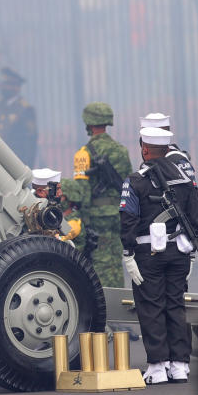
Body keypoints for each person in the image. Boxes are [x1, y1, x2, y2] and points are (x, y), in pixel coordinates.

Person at [120, 127, 198, 385]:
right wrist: (190, 244)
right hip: (179, 250)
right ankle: (179, 365)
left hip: (148, 252)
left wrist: (128, 252)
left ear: (144, 148)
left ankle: (157, 366)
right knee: (175, 305)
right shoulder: (185, 179)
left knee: (151, 307)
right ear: (168, 150)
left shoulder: (136, 180)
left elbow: (128, 218)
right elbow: (196, 212)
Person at [60, 102, 132, 288]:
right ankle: (118, 296)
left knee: (98, 260)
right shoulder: (121, 150)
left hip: (96, 217)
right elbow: (129, 185)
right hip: (118, 214)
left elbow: (82, 192)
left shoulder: (83, 154)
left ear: (89, 123)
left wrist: (80, 221)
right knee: (115, 257)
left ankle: (105, 300)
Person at [0, 67, 37, 167]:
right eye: (3, 84)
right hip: (0, 157)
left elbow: (31, 141)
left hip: (17, 160)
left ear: (16, 87)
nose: (3, 88)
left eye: (7, 85)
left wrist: (28, 165)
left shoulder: (25, 109)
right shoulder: (2, 104)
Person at [31, 168, 80, 243]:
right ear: (40, 192)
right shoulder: (33, 210)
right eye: (57, 189)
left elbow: (70, 229)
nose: (60, 193)